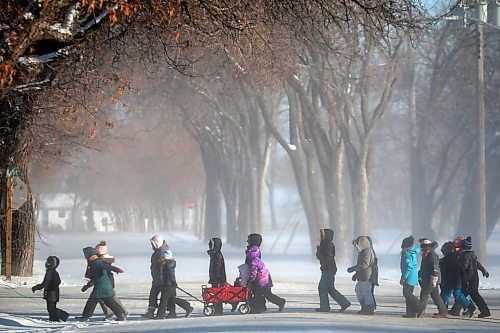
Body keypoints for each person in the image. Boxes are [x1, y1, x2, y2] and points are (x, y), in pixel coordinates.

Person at [142, 235, 194, 319]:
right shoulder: (160, 253)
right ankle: (176, 311)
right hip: (162, 281)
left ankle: (161, 314)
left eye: (153, 244)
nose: (151, 246)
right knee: (171, 298)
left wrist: (172, 282)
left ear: (157, 244)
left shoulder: (162, 255)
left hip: (163, 282)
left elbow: (167, 271)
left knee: (164, 299)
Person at [77, 247, 126, 322]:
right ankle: (120, 315)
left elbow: (106, 266)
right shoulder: (94, 262)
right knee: (108, 301)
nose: (85, 256)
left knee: (92, 301)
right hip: (103, 285)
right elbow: (96, 277)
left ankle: (85, 317)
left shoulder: (96, 262)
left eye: (85, 255)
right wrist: (88, 285)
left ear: (89, 254)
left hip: (101, 286)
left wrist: (116, 269)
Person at [246, 233, 286, 312]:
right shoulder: (254, 250)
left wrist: (252, 277)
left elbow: (254, 265)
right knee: (263, 293)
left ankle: (259, 307)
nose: (247, 241)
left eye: (249, 239)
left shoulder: (252, 251)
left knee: (260, 293)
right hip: (262, 275)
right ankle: (263, 306)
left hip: (260, 277)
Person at [315, 228, 351, 313]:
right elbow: (322, 256)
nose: (321, 236)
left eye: (323, 234)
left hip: (328, 269)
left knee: (322, 287)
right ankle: (344, 303)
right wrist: (319, 252)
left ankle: (325, 307)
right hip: (328, 269)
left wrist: (320, 252)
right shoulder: (324, 243)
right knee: (330, 289)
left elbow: (328, 257)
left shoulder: (327, 244)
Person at [458, 236, 490, 318]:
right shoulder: (472, 254)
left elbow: (464, 268)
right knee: (474, 295)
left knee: (462, 294)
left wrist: (465, 279)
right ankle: (484, 311)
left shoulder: (464, 256)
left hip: (468, 279)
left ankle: (457, 310)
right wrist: (483, 270)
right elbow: (477, 264)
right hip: (474, 278)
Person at [439, 241, 473, 317]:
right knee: (458, 295)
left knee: (444, 296)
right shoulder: (456, 257)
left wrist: (442, 280)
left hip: (450, 281)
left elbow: (444, 271)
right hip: (457, 281)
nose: (443, 252)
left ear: (447, 250)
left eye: (443, 250)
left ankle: (442, 311)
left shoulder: (447, 259)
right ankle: (470, 306)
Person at [416, 238, 447, 319]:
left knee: (424, 294)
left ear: (428, 247)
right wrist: (419, 274)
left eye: (423, 247)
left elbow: (435, 267)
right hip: (428, 279)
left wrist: (434, 278)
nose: (422, 249)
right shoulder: (427, 254)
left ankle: (421, 312)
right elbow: (424, 268)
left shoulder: (431, 255)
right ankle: (443, 312)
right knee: (436, 296)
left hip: (432, 279)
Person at [32, 256, 69, 322]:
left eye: (49, 263)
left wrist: (36, 287)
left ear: (53, 264)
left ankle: (63, 315)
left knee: (51, 308)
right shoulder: (54, 272)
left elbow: (45, 283)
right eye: (47, 262)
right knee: (51, 308)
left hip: (51, 293)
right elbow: (57, 282)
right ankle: (54, 319)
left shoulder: (50, 272)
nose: (47, 264)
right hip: (54, 293)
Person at [347, 236, 377, 315]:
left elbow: (364, 264)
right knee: (358, 289)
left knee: (366, 291)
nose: (356, 247)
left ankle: (370, 307)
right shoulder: (362, 252)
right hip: (362, 275)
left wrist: (353, 269)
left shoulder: (368, 251)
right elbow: (360, 265)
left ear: (362, 244)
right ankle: (364, 306)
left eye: (357, 245)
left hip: (368, 275)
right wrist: (356, 274)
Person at [399, 235, 423, 318]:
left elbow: (408, 267)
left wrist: (404, 277)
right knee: (408, 294)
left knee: (407, 294)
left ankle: (419, 306)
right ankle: (410, 312)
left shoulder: (406, 253)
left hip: (409, 276)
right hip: (412, 276)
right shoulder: (412, 251)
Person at [155, 250, 178, 319]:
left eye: (162, 257)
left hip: (168, 285)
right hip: (170, 284)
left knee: (163, 300)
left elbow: (171, 274)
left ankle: (160, 315)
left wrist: (173, 282)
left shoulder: (167, 264)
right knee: (171, 299)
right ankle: (172, 313)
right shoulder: (169, 263)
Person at [207, 237, 227, 315]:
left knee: (217, 293)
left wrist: (219, 279)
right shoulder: (214, 254)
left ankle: (218, 309)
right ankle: (216, 307)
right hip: (215, 278)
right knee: (215, 293)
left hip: (218, 279)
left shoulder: (217, 255)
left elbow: (218, 269)